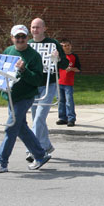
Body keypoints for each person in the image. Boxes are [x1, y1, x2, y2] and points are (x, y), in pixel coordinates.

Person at [0, 25, 52, 173]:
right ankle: (40, 155)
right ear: (12, 38)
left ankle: (1, 162)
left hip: (25, 96)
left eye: (23, 37)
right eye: (17, 37)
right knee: (20, 128)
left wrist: (24, 70)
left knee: (11, 127)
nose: (20, 39)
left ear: (27, 38)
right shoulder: (8, 51)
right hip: (11, 95)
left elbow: (37, 80)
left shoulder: (33, 56)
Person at [26, 17, 68, 162]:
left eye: (37, 27)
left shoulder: (53, 44)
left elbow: (65, 64)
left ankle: (32, 150)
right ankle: (46, 146)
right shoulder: (28, 44)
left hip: (48, 85)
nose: (34, 30)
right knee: (35, 118)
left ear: (44, 29)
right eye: (32, 27)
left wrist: (58, 59)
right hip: (33, 85)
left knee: (39, 118)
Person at [56, 39, 81, 127]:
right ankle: (62, 118)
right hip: (59, 81)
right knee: (60, 100)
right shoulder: (59, 57)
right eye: (64, 46)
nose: (66, 47)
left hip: (68, 83)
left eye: (68, 45)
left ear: (71, 46)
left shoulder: (74, 56)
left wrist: (71, 69)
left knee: (69, 101)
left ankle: (71, 118)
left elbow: (78, 69)